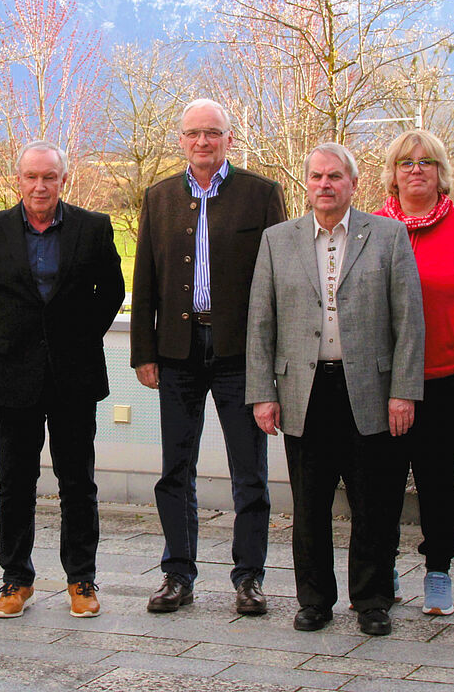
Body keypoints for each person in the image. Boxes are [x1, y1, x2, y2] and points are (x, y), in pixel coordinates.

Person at [246, 142, 424, 636]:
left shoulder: (388, 236)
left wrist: (403, 391)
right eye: (317, 177)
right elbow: (260, 322)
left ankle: (371, 601)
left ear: (353, 183)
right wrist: (264, 391)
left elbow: (409, 321)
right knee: (310, 505)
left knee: (374, 503)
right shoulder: (278, 240)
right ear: (307, 184)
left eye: (335, 177)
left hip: (368, 387)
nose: (325, 185)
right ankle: (315, 601)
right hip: (304, 390)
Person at [130, 98, 285, 616]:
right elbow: (146, 280)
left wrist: (271, 358)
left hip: (239, 353)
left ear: (229, 139)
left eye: (212, 133)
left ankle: (249, 579)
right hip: (177, 351)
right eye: (194, 133)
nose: (203, 142)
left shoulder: (262, 196)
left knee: (250, 470)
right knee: (176, 467)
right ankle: (177, 574)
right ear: (181, 139)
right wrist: (144, 353)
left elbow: (275, 284)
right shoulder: (158, 197)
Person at [0, 141, 125, 619]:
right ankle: (15, 579)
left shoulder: (92, 228)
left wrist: (77, 335)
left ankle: (81, 579)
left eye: (49, 177)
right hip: (13, 373)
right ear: (18, 180)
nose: (39, 185)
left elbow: (110, 291)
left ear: (63, 180)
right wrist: (7, 334)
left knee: (78, 482)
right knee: (15, 481)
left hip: (75, 373)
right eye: (31, 177)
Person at [375, 130, 454, 616]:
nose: (416, 170)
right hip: (384, 378)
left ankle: (438, 572)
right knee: (382, 478)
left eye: (426, 162)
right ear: (393, 172)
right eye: (406, 162)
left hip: (446, 375)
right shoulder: (372, 227)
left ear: (441, 171)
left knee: (437, 479)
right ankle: (381, 568)